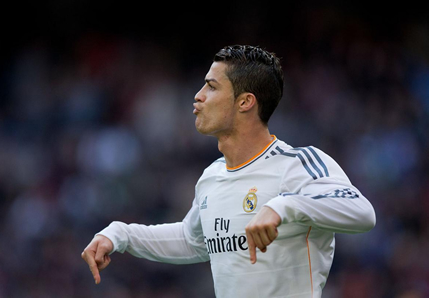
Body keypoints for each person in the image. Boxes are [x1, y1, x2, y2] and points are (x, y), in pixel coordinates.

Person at [81, 45, 376, 297]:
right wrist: (120, 234)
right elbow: (193, 240)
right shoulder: (212, 176)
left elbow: (362, 213)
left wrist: (284, 206)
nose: (197, 96)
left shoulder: (297, 163)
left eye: (211, 87)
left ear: (245, 102)